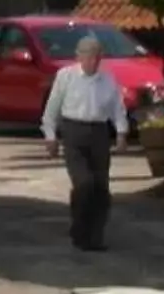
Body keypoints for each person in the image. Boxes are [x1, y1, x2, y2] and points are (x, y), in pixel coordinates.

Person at [43, 30, 129, 251]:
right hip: (73, 132)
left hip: (99, 133)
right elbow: (52, 109)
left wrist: (121, 133)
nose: (93, 61)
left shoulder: (107, 79)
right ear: (78, 56)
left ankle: (95, 235)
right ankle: (79, 230)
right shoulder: (66, 76)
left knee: (100, 188)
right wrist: (50, 137)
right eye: (89, 56)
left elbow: (117, 109)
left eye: (97, 57)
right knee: (84, 184)